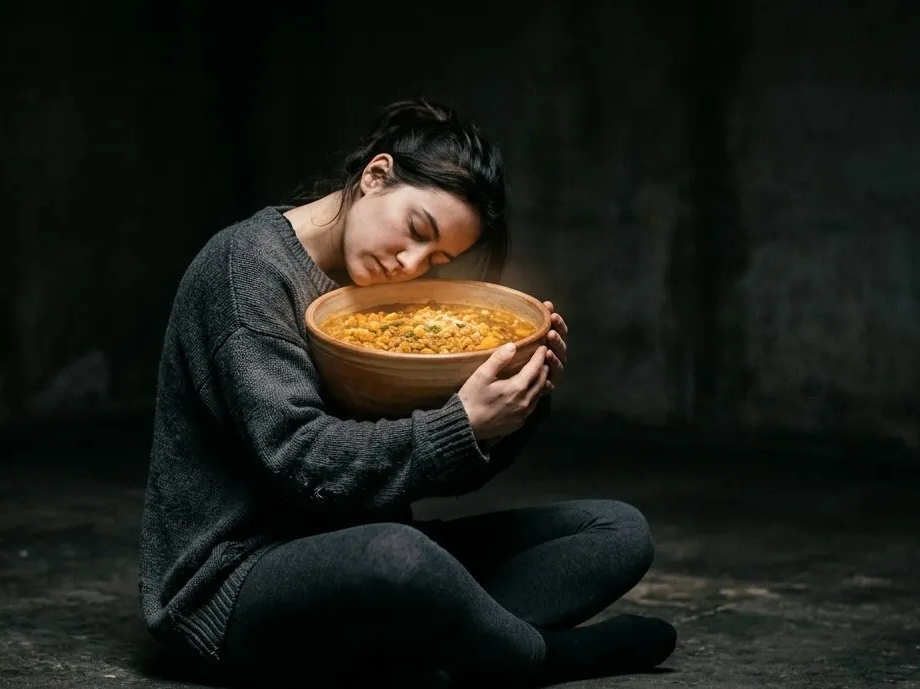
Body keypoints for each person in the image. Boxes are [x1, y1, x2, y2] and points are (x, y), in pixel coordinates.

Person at [138, 99, 677, 688]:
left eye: (438, 258)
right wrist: (460, 425)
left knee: (617, 531)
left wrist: (519, 397)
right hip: (235, 586)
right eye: (418, 230)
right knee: (400, 558)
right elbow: (300, 459)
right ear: (376, 176)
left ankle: (435, 647)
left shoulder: (380, 300)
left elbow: (427, 470)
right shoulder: (246, 270)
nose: (412, 264)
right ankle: (537, 657)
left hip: (358, 556)